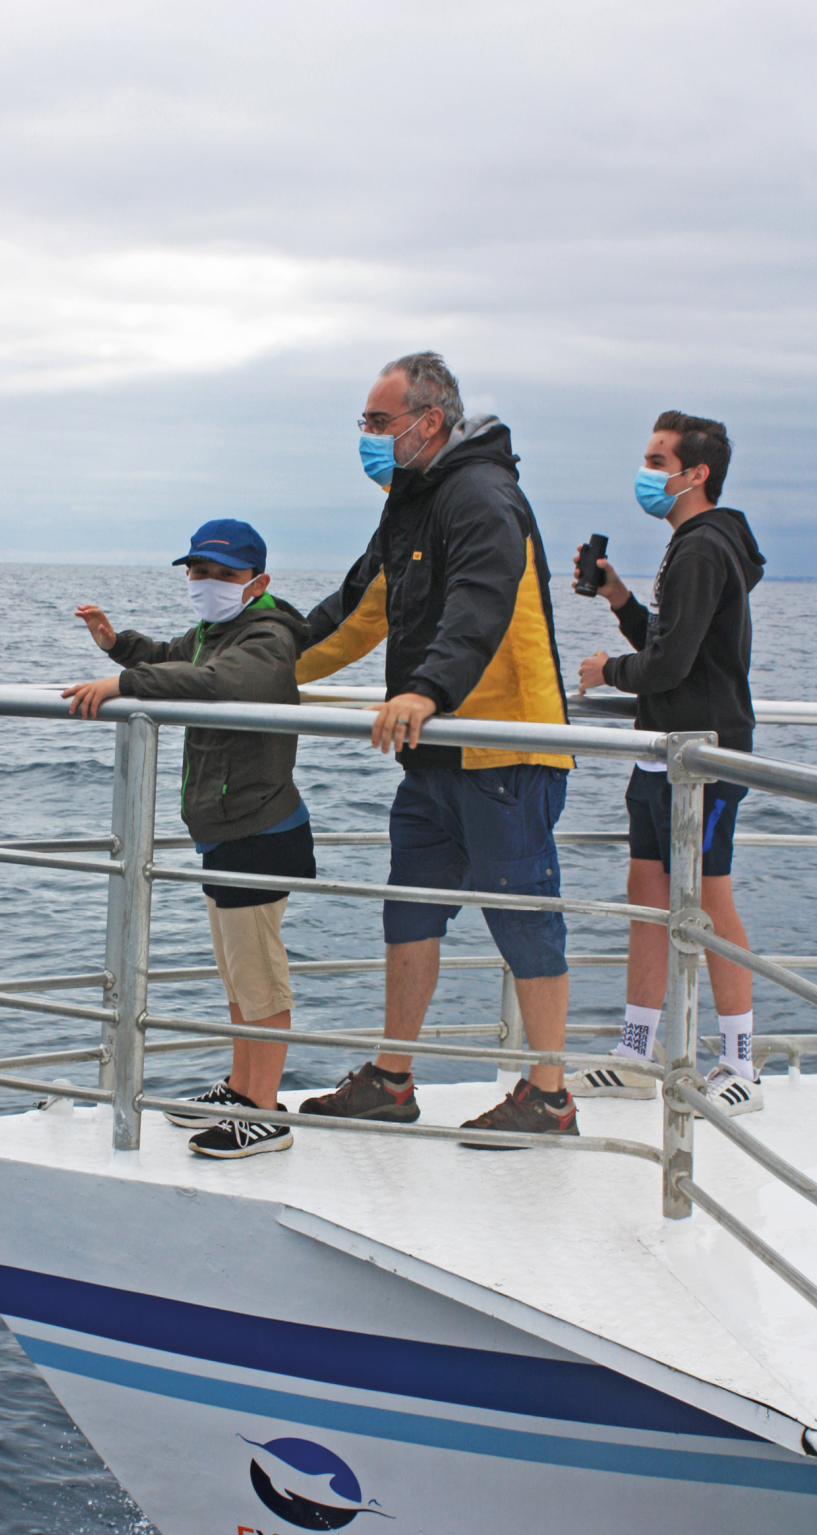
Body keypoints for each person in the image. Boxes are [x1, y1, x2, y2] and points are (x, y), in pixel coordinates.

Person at [297, 352, 578, 1138]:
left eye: (378, 423)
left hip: (506, 749)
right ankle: (392, 1078)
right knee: (409, 908)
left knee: (525, 919)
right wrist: (253, 670)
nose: (367, 437)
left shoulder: (482, 495)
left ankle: (550, 1096)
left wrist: (426, 691)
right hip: (437, 753)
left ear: (428, 422)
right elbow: (355, 614)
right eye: (364, 423)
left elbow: (480, 603)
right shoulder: (410, 504)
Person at [63, 518, 314, 1158]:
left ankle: (266, 1112)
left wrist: (124, 685)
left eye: (224, 575)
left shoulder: (266, 638)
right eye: (198, 571)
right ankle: (240, 1087)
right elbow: (174, 659)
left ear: (258, 582)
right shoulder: (214, 632)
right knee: (237, 980)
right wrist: (118, 646)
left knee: (261, 983)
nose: (206, 583)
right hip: (227, 828)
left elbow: (216, 683)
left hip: (261, 828)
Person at [571, 412, 766, 1114]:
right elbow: (675, 640)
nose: (648, 473)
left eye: (659, 461)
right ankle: (633, 1050)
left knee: (710, 897)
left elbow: (669, 662)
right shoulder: (692, 546)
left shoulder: (703, 547)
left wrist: (606, 668)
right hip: (664, 754)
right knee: (647, 897)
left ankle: (741, 1060)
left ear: (696, 472)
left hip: (704, 756)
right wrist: (619, 597)